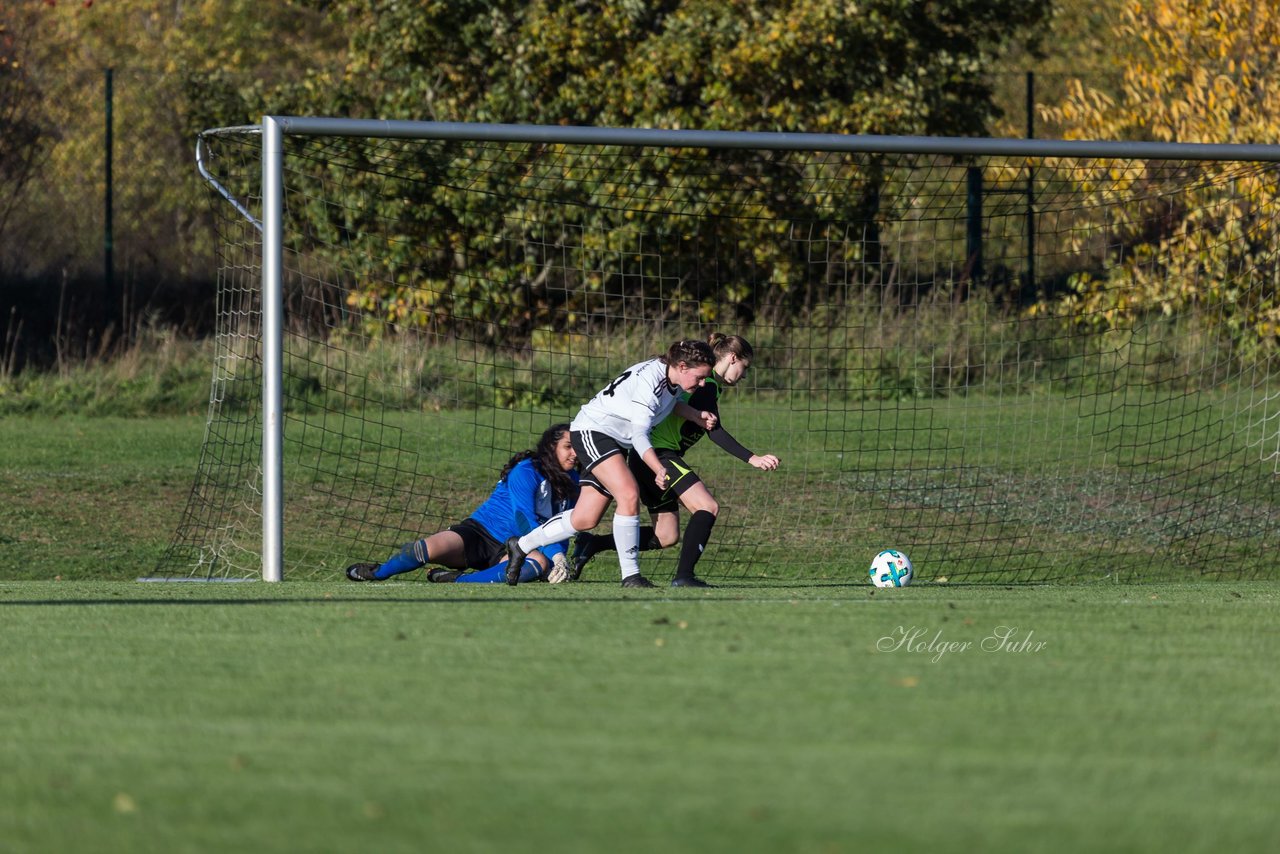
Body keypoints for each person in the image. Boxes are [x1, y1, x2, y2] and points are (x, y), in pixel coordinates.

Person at [569, 333, 779, 588]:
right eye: (744, 368)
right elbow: (715, 431)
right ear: (732, 358)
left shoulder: (704, 381)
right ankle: (684, 577)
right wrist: (752, 458)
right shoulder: (707, 383)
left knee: (666, 536)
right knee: (707, 507)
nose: (744, 375)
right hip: (657, 454)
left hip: (648, 457)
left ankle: (594, 543)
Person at [504, 339, 718, 588]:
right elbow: (639, 435)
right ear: (682, 366)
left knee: (585, 518)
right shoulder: (651, 380)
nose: (703, 383)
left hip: (612, 440)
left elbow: (668, 404)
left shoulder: (671, 378)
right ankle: (631, 576)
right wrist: (658, 468)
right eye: (700, 377)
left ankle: (521, 545)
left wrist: (695, 415)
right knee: (628, 493)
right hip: (593, 432)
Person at [345, 423, 579, 584]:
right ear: (551, 447)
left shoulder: (576, 482)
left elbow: (565, 525)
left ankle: (456, 580)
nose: (574, 454)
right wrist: (557, 555)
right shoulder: (526, 470)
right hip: (479, 533)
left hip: (516, 548)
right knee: (423, 549)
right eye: (568, 447)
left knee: (536, 563)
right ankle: (379, 571)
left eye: (577, 448)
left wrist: (557, 561)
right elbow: (523, 519)